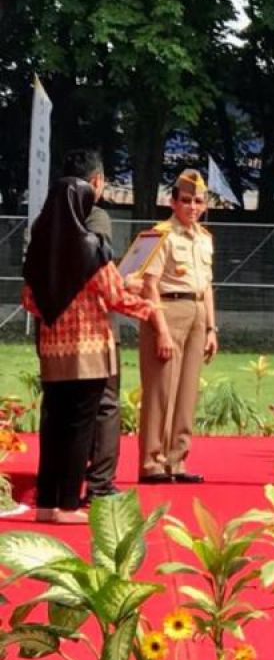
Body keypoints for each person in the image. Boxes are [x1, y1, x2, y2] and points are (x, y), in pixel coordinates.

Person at [23, 174, 172, 522]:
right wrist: (151, 309)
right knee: (80, 428)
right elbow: (116, 297)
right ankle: (69, 506)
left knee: (55, 427)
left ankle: (46, 503)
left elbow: (29, 301)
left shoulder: (39, 251)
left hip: (52, 351)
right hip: (88, 353)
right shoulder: (91, 247)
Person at [138, 170, 218, 484]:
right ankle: (152, 462)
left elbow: (208, 286)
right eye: (185, 200)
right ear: (172, 201)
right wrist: (161, 330)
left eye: (198, 201)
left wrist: (212, 328)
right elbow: (149, 285)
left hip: (197, 310)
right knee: (161, 390)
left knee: (186, 392)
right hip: (168, 308)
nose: (192, 206)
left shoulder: (205, 238)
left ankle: (177, 460)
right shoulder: (160, 235)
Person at [52, 150, 123, 503]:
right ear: (96, 182)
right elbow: (105, 278)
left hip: (52, 332)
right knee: (104, 404)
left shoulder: (46, 220)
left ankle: (60, 490)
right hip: (93, 330)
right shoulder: (96, 217)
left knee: (60, 411)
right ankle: (100, 484)